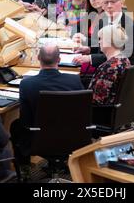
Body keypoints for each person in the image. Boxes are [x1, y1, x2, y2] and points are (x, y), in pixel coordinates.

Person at [9, 44, 84, 178]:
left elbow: (25, 118)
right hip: (71, 138)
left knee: (15, 125)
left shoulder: (26, 84)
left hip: (38, 140)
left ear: (38, 58)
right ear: (59, 60)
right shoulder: (74, 80)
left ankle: (24, 168)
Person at [73, 0, 134, 67]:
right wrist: (89, 49)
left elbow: (119, 55)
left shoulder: (131, 27)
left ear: (122, 3)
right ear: (102, 5)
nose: (109, 6)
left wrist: (90, 57)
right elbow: (100, 45)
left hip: (125, 72)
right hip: (105, 66)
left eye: (113, 2)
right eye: (106, 3)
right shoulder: (103, 21)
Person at [88, 25, 130, 104]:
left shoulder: (108, 68)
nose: (99, 42)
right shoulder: (125, 60)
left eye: (100, 39)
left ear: (108, 41)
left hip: (98, 111)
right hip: (115, 107)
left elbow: (96, 100)